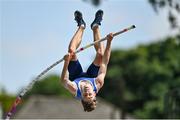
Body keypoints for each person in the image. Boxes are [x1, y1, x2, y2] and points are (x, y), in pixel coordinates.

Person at [60, 9, 114, 112]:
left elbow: (63, 81)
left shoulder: (75, 90)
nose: (87, 91)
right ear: (94, 94)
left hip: (76, 75)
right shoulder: (98, 83)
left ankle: (81, 26)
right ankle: (96, 26)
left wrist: (66, 61)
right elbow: (104, 62)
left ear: (82, 97)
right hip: (91, 76)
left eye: (85, 95)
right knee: (100, 54)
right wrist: (109, 42)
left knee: (71, 51)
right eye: (90, 94)